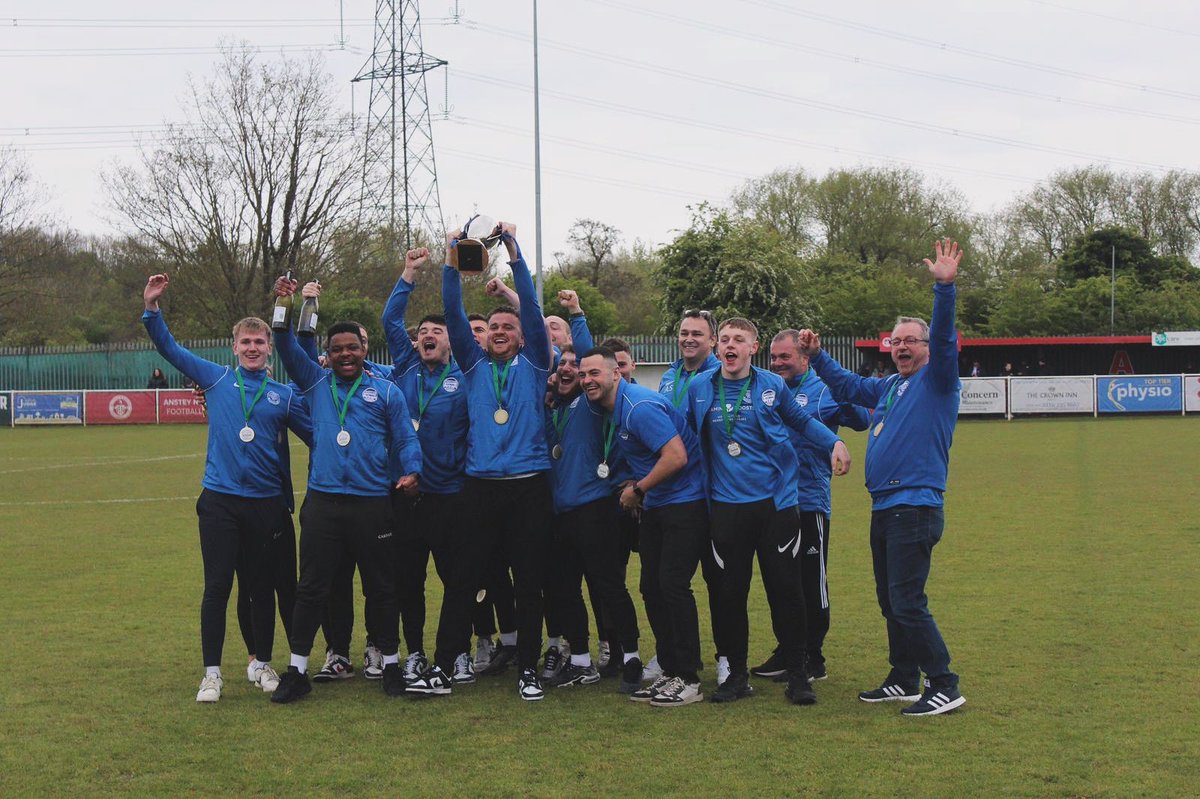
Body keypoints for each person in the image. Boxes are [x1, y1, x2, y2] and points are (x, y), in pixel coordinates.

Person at [798, 238, 967, 717]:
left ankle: (944, 682)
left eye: (910, 341)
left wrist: (944, 289)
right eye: (895, 342)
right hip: (886, 506)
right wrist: (819, 355)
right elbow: (851, 386)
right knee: (890, 601)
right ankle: (904, 676)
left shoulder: (938, 380)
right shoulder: (892, 385)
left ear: (928, 348)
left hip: (915, 506)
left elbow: (943, 337)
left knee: (907, 600)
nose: (901, 348)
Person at [141, 273, 309, 703]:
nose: (253, 348)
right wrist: (153, 309)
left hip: (266, 507)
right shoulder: (215, 380)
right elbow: (170, 350)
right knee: (217, 587)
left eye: (260, 342)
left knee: (261, 589)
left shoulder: (283, 396)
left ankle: (261, 663)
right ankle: (211, 674)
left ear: (269, 348)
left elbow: (320, 435)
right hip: (219, 503)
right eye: (245, 342)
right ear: (234, 347)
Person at [685, 318, 850, 706]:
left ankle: (798, 674)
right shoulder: (699, 388)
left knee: (786, 592)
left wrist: (835, 443)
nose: (730, 346)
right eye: (724, 339)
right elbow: (682, 433)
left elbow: (803, 422)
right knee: (729, 595)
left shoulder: (771, 386)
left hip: (776, 506)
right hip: (725, 510)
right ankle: (736, 675)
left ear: (752, 347)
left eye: (738, 340)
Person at [268, 313, 423, 703]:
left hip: (372, 503)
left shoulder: (386, 392)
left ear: (364, 350)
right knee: (311, 589)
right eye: (336, 349)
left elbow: (405, 439)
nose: (345, 355)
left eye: (351, 347)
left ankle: (390, 665)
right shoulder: (315, 383)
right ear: (328, 354)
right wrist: (282, 307)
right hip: (323, 504)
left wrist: (413, 470)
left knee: (382, 588)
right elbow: (285, 345)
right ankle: (297, 671)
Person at [442, 221, 557, 702]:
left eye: (509, 328)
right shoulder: (470, 365)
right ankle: (445, 666)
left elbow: (531, 309)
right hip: (481, 487)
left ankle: (527, 668)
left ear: (523, 336)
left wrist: (513, 250)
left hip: (530, 487)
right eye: (494, 328)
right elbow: (452, 312)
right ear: (484, 336)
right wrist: (452, 260)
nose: (502, 332)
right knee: (462, 581)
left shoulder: (536, 364)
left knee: (529, 583)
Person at [579, 348, 708, 707]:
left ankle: (689, 678)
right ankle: (670, 669)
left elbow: (676, 456)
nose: (588, 380)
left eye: (595, 373)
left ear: (616, 374)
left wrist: (638, 489)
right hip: (660, 504)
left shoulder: (638, 407)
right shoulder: (613, 408)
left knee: (672, 585)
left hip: (685, 502)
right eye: (583, 374)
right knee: (651, 586)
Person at [750, 330, 870, 684]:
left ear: (804, 357)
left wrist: (842, 396)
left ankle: (813, 656)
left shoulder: (821, 390)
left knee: (809, 582)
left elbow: (862, 419)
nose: (777, 363)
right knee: (780, 582)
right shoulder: (769, 390)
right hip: (773, 502)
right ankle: (788, 649)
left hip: (809, 502)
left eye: (785, 356)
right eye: (773, 357)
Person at [382, 246, 474, 696]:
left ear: (451, 338)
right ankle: (415, 650)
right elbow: (389, 323)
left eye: (438, 330)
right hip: (407, 496)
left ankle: (450, 655)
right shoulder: (404, 368)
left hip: (450, 496)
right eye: (423, 332)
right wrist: (408, 274)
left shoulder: (465, 376)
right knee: (408, 582)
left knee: (456, 581)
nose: (428, 335)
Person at [657, 309, 728, 685]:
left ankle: (726, 656)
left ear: (712, 340)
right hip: (676, 495)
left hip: (714, 496)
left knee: (719, 582)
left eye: (697, 334)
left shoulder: (721, 378)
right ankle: (675, 656)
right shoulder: (670, 377)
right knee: (669, 581)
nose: (689, 339)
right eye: (684, 332)